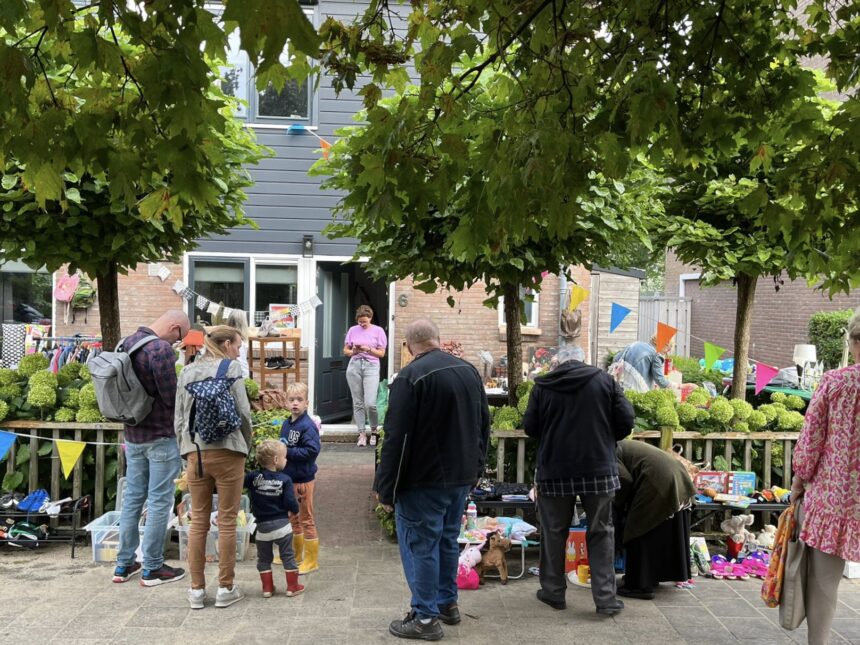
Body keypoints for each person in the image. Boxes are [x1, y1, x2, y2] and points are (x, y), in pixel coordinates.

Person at [375, 318, 490, 641]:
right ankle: (446, 604)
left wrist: (385, 489)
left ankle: (425, 618)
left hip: (422, 481)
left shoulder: (410, 377)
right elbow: (484, 425)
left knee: (421, 546)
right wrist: (476, 471)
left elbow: (395, 438)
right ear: (438, 339)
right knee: (447, 541)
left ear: (410, 346)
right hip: (460, 479)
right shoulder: (468, 371)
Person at [523, 345, 634, 616]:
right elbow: (627, 420)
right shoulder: (605, 381)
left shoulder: (543, 385)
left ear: (558, 362)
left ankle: (553, 592)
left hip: (555, 470)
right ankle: (606, 599)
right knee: (601, 532)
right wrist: (606, 439)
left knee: (553, 531)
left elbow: (530, 427)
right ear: (584, 360)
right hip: (598, 469)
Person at [790, 306, 860, 645]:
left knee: (823, 585)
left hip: (833, 500)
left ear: (854, 342)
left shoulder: (835, 383)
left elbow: (811, 439)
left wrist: (798, 482)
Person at [175, 325, 253, 609]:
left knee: (198, 522)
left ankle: (196, 591)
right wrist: (245, 445)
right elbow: (244, 414)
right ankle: (225, 588)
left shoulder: (187, 371)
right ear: (227, 343)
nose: (239, 350)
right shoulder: (231, 369)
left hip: (196, 452)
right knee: (228, 521)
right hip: (229, 452)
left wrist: (186, 452)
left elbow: (180, 418)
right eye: (238, 345)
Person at [112, 309, 189, 587]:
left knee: (132, 498)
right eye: (178, 336)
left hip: (132, 436)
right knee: (159, 501)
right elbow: (172, 397)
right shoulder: (160, 349)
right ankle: (153, 567)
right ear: (175, 328)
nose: (175, 343)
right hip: (160, 437)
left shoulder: (127, 342)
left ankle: (124, 564)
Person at [614, 440, 695, 599]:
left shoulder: (608, 450)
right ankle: (651, 577)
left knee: (637, 528)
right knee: (660, 529)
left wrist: (618, 503)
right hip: (677, 475)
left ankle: (639, 586)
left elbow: (624, 480)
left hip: (658, 480)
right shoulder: (621, 444)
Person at [245, 440, 304, 598]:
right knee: (287, 555)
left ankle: (267, 588)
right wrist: (295, 510)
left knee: (263, 558)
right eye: (285, 457)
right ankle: (292, 586)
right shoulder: (285, 479)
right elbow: (290, 501)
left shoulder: (252, 477)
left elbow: (240, 483)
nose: (287, 460)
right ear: (276, 460)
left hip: (262, 528)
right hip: (282, 526)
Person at [280, 381, 321, 574]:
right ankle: (296, 555)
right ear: (286, 403)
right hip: (289, 478)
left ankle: (311, 560)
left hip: (303, 480)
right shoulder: (287, 424)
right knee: (292, 517)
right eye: (291, 400)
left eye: (299, 400)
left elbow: (312, 451)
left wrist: (286, 451)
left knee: (306, 518)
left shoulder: (307, 426)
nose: (295, 403)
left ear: (306, 403)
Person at [343, 305, 387, 447]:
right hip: (354, 365)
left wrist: (369, 349)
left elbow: (381, 354)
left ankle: (374, 431)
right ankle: (361, 433)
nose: (362, 324)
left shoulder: (378, 331)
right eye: (360, 322)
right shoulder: (352, 330)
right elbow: (346, 351)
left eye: (364, 322)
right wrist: (354, 351)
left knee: (370, 403)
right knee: (358, 402)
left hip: (371, 366)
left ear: (370, 318)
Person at [225, 310, 250, 378]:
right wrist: (246, 381)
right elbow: (242, 364)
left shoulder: (225, 338)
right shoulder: (238, 342)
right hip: (235, 378)